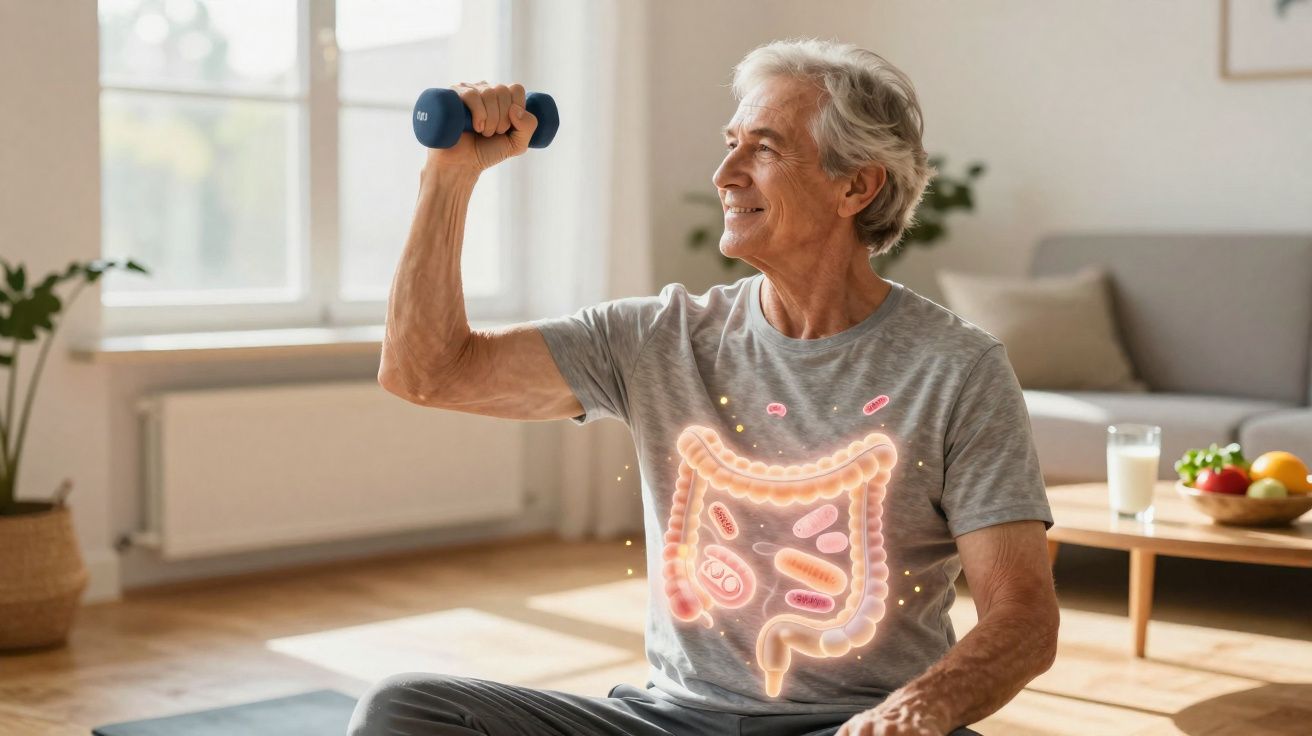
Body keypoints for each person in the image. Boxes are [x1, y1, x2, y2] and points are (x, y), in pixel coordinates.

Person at [351, 37, 1059, 736]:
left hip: (853, 727)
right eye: (731, 142)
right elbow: (426, 371)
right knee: (405, 708)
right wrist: (448, 177)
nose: (725, 173)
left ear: (856, 185)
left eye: (765, 148)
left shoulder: (957, 368)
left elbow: (1023, 618)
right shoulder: (661, 337)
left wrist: (915, 711)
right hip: (668, 722)